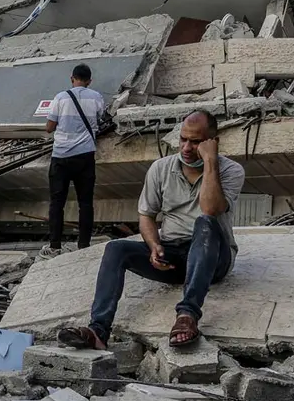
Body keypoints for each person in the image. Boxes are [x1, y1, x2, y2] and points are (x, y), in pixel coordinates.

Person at [57, 110, 245, 349]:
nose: (186, 147)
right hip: (173, 257)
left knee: (205, 222)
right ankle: (98, 331)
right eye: (183, 139)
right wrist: (154, 245)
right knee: (116, 249)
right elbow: (146, 215)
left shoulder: (231, 171)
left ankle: (187, 315)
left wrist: (210, 162)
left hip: (213, 258)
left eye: (196, 142)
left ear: (212, 142)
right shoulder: (160, 168)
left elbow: (210, 208)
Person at [41, 63, 105, 259]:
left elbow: (49, 127)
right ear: (89, 81)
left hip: (61, 157)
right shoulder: (97, 97)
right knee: (85, 202)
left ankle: (55, 246)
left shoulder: (60, 97)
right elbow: (100, 119)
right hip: (85, 156)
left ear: (72, 78)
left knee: (56, 203)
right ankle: (83, 245)